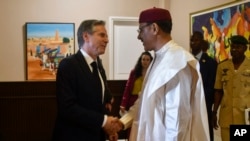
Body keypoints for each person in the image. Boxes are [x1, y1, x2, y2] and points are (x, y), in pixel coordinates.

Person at [117, 7, 210, 141]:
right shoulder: (158, 58)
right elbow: (144, 100)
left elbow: (177, 122)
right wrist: (122, 122)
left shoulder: (178, 62)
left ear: (154, 28)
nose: (138, 36)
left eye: (141, 30)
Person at [52, 19, 121, 141]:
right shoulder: (68, 65)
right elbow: (67, 108)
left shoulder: (98, 64)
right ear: (86, 37)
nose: (107, 40)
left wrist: (108, 129)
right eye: (102, 35)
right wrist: (104, 121)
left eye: (107, 36)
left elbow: (99, 101)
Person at [212, 35, 250, 141]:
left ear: (245, 49)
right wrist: (214, 112)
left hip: (243, 116)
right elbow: (218, 91)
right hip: (226, 116)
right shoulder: (222, 67)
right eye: (233, 47)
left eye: (238, 47)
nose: (234, 49)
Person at [190, 31, 217, 141]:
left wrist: (199, 99)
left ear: (202, 43)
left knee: (205, 132)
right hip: (188, 104)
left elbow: (212, 86)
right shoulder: (187, 60)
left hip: (204, 104)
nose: (193, 43)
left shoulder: (210, 62)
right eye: (192, 40)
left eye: (196, 40)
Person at [119, 51, 153, 139]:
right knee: (132, 124)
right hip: (133, 102)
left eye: (147, 60)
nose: (145, 61)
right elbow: (127, 89)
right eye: (143, 59)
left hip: (147, 102)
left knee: (144, 124)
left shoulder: (153, 73)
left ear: (150, 61)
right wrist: (123, 104)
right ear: (140, 61)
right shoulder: (134, 72)